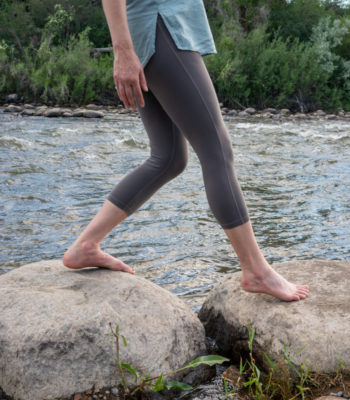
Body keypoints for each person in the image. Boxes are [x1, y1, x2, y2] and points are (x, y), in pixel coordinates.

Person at [63, 0, 309, 301]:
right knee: (216, 150)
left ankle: (86, 245)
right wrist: (123, 51)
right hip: (160, 25)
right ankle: (256, 270)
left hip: (153, 29)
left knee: (169, 158)